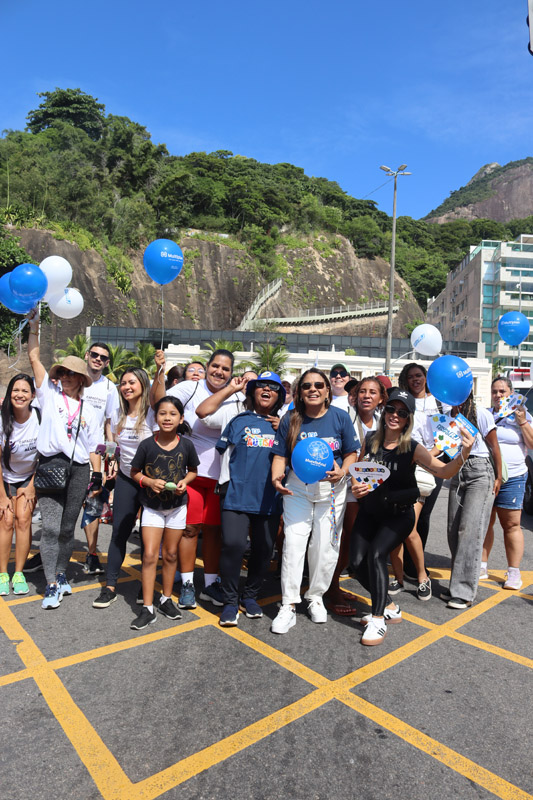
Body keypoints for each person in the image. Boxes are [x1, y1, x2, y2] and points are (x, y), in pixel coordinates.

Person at [349, 389, 474, 645]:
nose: (395, 415)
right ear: (385, 413)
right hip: (371, 511)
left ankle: (378, 619)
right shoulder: (371, 439)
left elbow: (442, 471)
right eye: (392, 410)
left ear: (408, 419)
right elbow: (359, 470)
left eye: (402, 412)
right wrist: (355, 485)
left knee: (376, 555)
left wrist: (463, 454)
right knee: (356, 563)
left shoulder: (412, 448)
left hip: (399, 514)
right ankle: (389, 605)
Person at [270, 368, 358, 634]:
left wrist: (343, 471)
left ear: (327, 390)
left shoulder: (340, 418)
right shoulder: (291, 419)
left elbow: (352, 452)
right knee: (294, 544)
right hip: (297, 488)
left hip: (331, 490)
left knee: (325, 546)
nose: (313, 389)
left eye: (319, 385)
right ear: (299, 392)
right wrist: (277, 478)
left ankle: (316, 596)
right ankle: (288, 604)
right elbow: (280, 455)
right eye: (307, 385)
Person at [27, 308, 102, 610]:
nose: (67, 377)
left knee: (68, 527)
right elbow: (34, 358)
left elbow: (94, 447)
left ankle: (61, 572)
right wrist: (34, 327)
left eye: (73, 374)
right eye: (64, 373)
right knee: (49, 527)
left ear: (82, 379)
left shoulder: (92, 410)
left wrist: (98, 477)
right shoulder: (49, 395)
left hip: (79, 469)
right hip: (49, 466)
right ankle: (51, 583)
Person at [151, 348, 235, 609]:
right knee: (189, 529)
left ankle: (210, 584)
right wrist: (159, 373)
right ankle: (188, 584)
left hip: (220, 475)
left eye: (226, 369)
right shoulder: (191, 387)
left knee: (213, 532)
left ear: (232, 373)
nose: (219, 372)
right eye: (215, 366)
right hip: (190, 474)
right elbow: (160, 404)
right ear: (207, 366)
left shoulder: (237, 395)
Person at [215, 373, 286, 626]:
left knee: (264, 549)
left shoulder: (286, 425)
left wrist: (286, 431)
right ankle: (230, 601)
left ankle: (251, 596)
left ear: (280, 395)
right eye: (262, 387)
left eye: (273, 388)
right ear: (253, 392)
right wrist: (224, 486)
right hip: (236, 496)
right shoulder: (239, 421)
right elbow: (222, 455)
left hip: (270, 498)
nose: (267, 390)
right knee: (233, 545)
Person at [129, 396, 199, 630]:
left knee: (170, 555)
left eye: (172, 414)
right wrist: (148, 481)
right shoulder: (147, 444)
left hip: (178, 507)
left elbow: (193, 471)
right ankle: (147, 608)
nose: (167, 418)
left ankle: (166, 599)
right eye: (162, 413)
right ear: (156, 417)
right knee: (149, 556)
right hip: (151, 507)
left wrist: (184, 482)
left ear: (181, 418)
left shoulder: (186, 445)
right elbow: (134, 472)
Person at [93, 368, 156, 609]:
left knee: (149, 539)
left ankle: (146, 585)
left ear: (143, 384)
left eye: (132, 382)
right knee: (119, 531)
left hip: (150, 482)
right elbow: (112, 443)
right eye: (123, 383)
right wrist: (111, 460)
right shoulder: (118, 412)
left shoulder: (152, 414)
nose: (127, 387)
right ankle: (110, 586)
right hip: (126, 479)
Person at [324, 376, 387, 615]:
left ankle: (338, 586)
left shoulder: (384, 422)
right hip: (348, 488)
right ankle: (332, 589)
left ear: (381, 398)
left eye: (373, 392)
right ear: (354, 396)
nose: (367, 396)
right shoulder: (344, 418)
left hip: (374, 490)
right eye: (363, 391)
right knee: (348, 540)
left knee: (360, 542)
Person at [395, 362, 450, 591]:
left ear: (426, 378)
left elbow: (446, 436)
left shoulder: (438, 402)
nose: (415, 380)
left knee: (424, 515)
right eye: (411, 377)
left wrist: (428, 456)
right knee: (406, 514)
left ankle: (415, 563)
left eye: (418, 376)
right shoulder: (404, 402)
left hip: (433, 462)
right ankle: (407, 564)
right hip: (408, 461)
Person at [446, 390, 501, 610]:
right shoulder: (446, 413)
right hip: (456, 470)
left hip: (480, 470)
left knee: (470, 530)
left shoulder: (480, 413)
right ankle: (457, 586)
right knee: (453, 529)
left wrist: (498, 477)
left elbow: (494, 446)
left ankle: (463, 592)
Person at [481, 377, 533, 590]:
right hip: (486, 476)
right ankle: (481, 566)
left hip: (514, 477)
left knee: (511, 524)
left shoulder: (522, 414)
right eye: (494, 391)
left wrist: (522, 421)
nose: (498, 395)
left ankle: (513, 572)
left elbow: (531, 443)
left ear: (511, 393)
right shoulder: (486, 415)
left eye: (502, 391)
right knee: (485, 523)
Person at [80, 342, 119, 574]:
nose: (97, 359)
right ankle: (49, 555)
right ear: (87, 355)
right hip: (68, 454)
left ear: (106, 363)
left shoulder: (109, 388)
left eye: (103, 358)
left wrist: (111, 458)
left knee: (93, 505)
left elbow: (110, 425)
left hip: (95, 458)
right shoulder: (73, 379)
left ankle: (92, 554)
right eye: (94, 354)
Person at [0, 374, 40, 596]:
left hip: (29, 477)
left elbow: (45, 455)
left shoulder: (39, 418)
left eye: (25, 391)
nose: (20, 395)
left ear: (33, 395)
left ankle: (18, 573)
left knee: (23, 520)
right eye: (16, 390)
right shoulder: (1, 419)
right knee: (6, 521)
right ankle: (2, 574)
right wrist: (2, 496)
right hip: (4, 477)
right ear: (9, 394)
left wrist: (33, 484)